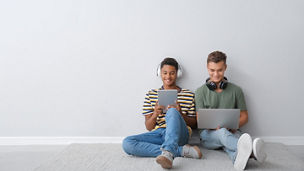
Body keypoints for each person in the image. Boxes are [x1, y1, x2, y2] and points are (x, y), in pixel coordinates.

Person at [122, 57, 202, 169]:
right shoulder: (151, 94)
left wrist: (180, 113)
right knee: (127, 143)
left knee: (172, 111)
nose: (168, 77)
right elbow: (149, 127)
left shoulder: (188, 94)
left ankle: (169, 153)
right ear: (160, 73)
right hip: (159, 133)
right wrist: (155, 114)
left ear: (177, 74)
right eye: (165, 73)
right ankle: (180, 151)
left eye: (172, 73)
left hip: (180, 134)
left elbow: (194, 124)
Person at [195, 51, 267, 170]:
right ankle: (253, 152)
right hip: (208, 135)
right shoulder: (200, 92)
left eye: (220, 70)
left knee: (230, 141)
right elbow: (199, 119)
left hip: (232, 131)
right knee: (224, 133)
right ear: (207, 68)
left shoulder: (236, 90)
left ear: (225, 68)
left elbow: (244, 116)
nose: (216, 74)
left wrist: (233, 126)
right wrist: (215, 127)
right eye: (212, 70)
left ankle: (237, 159)